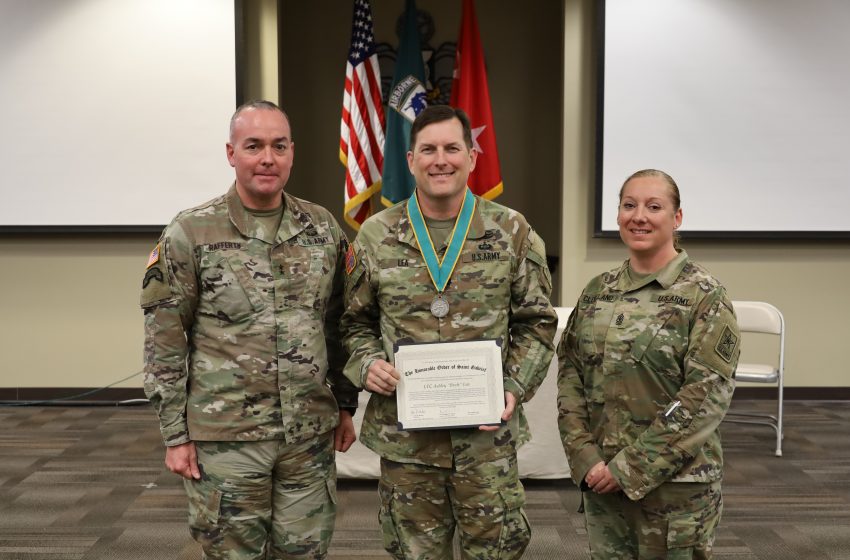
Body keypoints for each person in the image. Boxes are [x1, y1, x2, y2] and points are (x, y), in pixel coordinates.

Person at [140, 100, 358, 559]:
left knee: (305, 552)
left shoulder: (322, 228)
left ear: (292, 152)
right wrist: (175, 435)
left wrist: (344, 404)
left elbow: (340, 322)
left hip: (307, 435)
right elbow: (165, 340)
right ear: (231, 153)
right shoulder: (191, 232)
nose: (267, 158)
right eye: (254, 146)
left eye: (279, 146)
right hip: (227, 438)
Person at [341, 105, 557, 559]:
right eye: (429, 149)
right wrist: (367, 363)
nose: (441, 160)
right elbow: (354, 322)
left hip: (486, 441)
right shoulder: (376, 236)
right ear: (410, 160)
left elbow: (536, 323)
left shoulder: (511, 230)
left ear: (472, 156)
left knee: (495, 551)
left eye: (452, 148)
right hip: (408, 446)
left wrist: (514, 386)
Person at [557, 169, 740, 559]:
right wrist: (585, 456)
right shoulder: (597, 291)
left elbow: (703, 400)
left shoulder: (704, 295)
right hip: (602, 482)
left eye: (654, 207)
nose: (638, 216)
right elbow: (571, 374)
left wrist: (629, 468)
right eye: (629, 205)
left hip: (675, 491)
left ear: (677, 218)